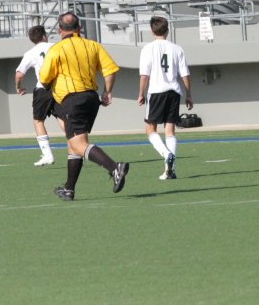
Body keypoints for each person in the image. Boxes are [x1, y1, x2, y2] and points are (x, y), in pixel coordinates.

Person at [39, 12, 128, 201]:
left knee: (79, 145)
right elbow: (110, 70)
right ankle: (69, 189)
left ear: (59, 29)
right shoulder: (93, 45)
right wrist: (107, 91)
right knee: (74, 145)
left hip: (72, 100)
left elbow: (44, 78)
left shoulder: (56, 49)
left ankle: (115, 168)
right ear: (79, 28)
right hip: (91, 98)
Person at [137, 16, 194, 180]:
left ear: (151, 31)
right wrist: (189, 95)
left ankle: (166, 153)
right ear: (167, 30)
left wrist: (141, 93)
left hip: (156, 91)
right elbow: (185, 74)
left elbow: (144, 75)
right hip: (174, 92)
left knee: (150, 129)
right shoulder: (177, 49)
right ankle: (171, 170)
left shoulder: (147, 49)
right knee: (170, 130)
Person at [14, 25, 65, 167]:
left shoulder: (30, 53)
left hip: (43, 88)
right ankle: (77, 146)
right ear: (44, 36)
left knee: (38, 120)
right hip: (60, 87)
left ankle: (47, 155)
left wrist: (18, 88)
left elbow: (19, 74)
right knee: (61, 117)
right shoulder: (57, 46)